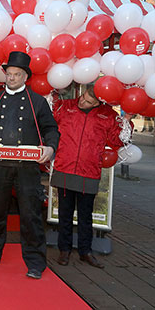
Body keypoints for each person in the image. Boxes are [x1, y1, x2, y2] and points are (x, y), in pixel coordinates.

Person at [0, 51, 59, 280]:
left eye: (16, 74)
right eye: (8, 74)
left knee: (30, 215)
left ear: (25, 77)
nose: (11, 78)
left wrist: (50, 148)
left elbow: (51, 129)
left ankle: (35, 262)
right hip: (0, 167)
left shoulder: (37, 101)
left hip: (27, 169)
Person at [51, 85, 133, 269]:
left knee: (85, 216)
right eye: (83, 97)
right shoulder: (65, 106)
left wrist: (126, 120)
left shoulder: (108, 115)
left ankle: (85, 251)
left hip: (89, 171)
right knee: (64, 213)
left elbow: (117, 140)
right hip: (65, 167)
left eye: (88, 101)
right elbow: (48, 121)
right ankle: (64, 249)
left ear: (99, 102)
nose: (82, 101)